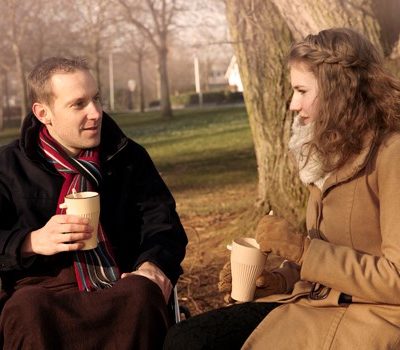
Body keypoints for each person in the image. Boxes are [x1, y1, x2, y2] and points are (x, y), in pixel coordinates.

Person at [164, 27, 400, 349]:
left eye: (302, 90)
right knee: (186, 338)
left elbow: (395, 279)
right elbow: (328, 260)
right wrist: (277, 279)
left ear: (338, 89)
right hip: (313, 306)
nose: (292, 104)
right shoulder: (331, 152)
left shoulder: (392, 154)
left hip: (368, 319)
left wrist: (303, 249)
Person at [0, 57, 187, 349]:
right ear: (43, 113)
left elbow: (163, 224)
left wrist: (153, 265)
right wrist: (31, 241)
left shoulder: (128, 158)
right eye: (79, 104)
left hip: (120, 282)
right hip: (43, 290)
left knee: (142, 292)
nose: (96, 113)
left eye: (96, 98)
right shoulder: (8, 166)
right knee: (27, 308)